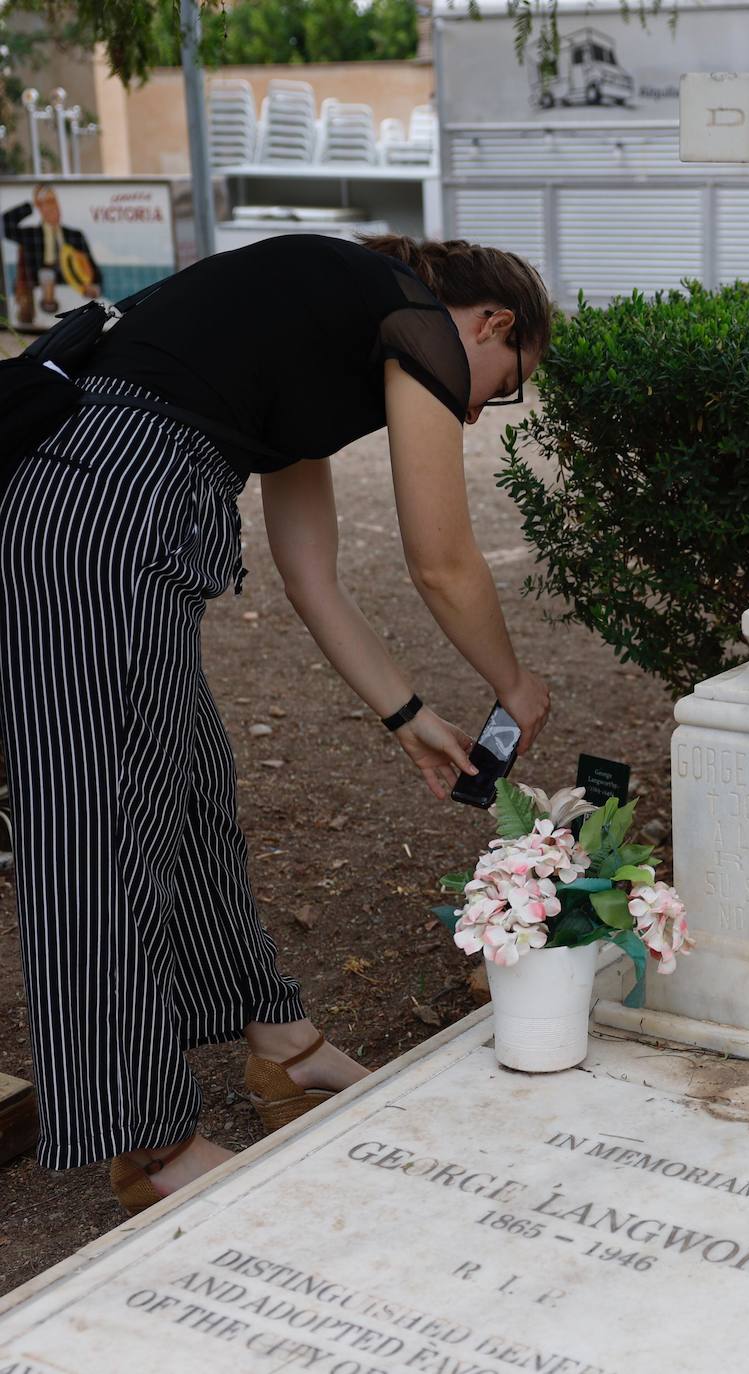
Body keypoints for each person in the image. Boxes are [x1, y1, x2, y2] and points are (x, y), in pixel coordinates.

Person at [0, 232, 553, 1214]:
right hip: (102, 514)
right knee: (105, 822)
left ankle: (282, 1046)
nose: (476, 410)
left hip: (106, 508)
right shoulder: (409, 320)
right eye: (499, 385)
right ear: (489, 323)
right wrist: (514, 683)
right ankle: (150, 1145)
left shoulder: (321, 337)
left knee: (194, 787)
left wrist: (410, 718)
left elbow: (313, 581)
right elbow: (442, 558)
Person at [3, 183, 102, 323]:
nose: (53, 207)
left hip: (72, 295)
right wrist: (30, 205)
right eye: (47, 203)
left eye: (54, 201)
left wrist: (94, 286)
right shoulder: (30, 235)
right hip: (38, 297)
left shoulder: (75, 235)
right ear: (39, 206)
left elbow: (94, 270)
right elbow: (3, 224)